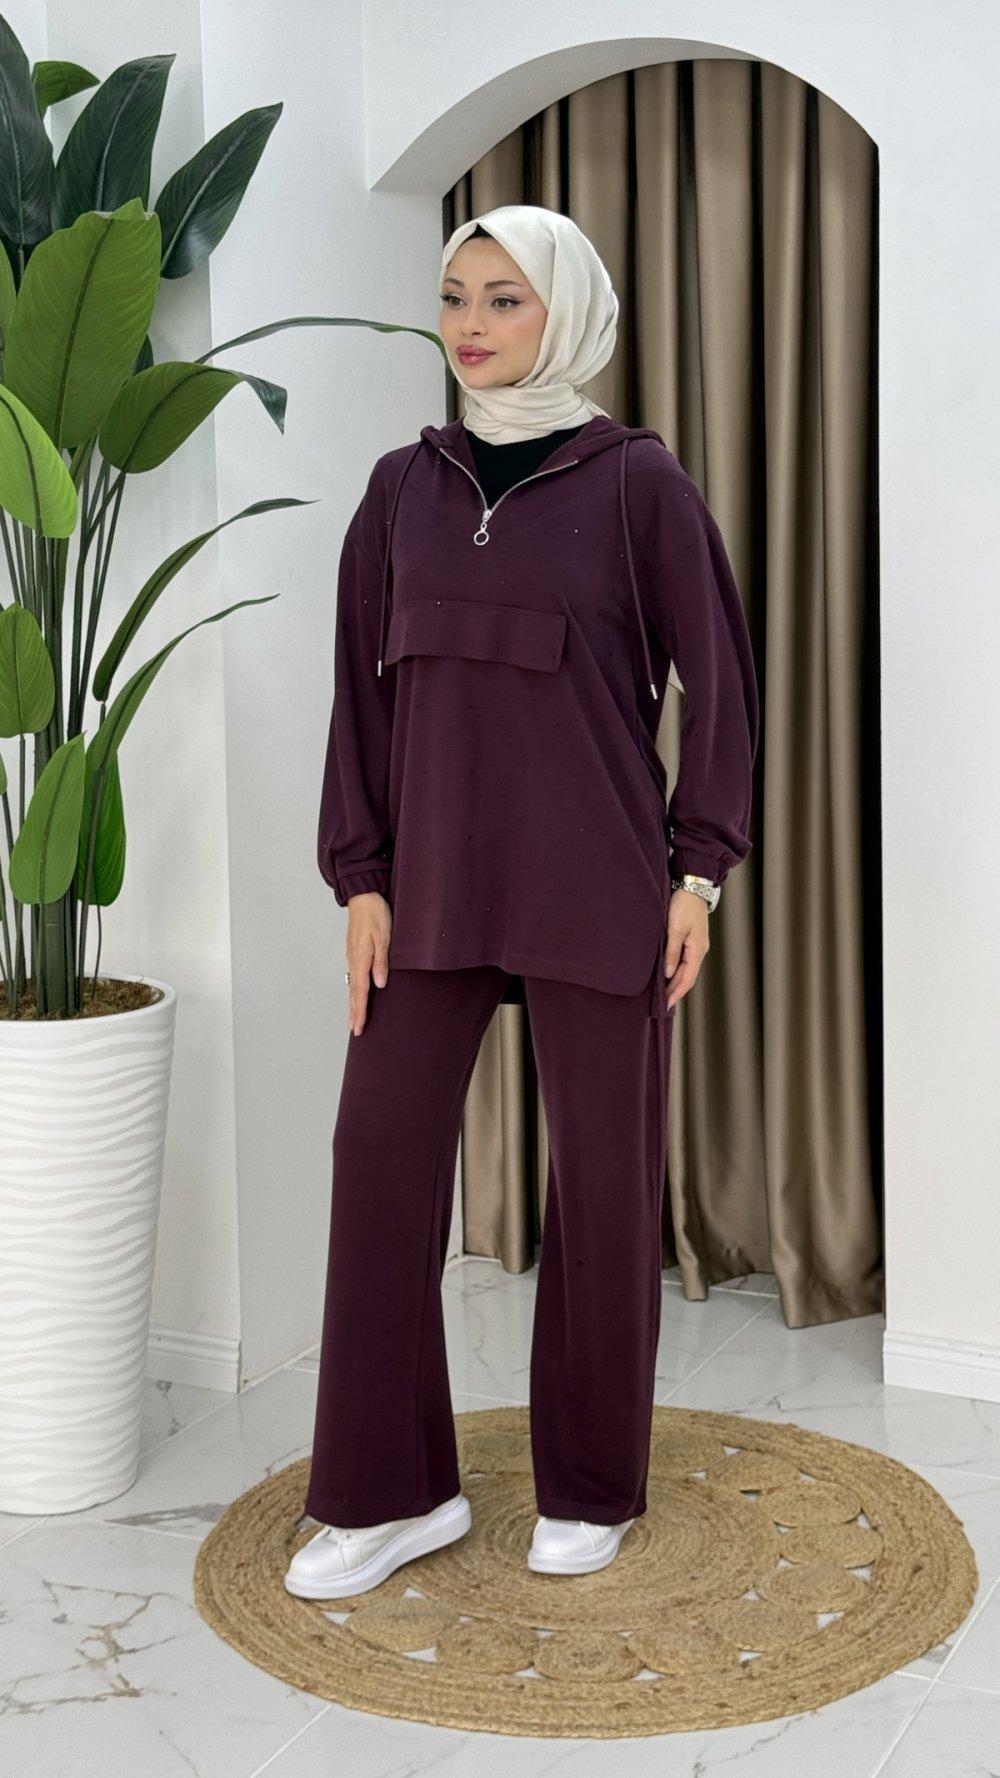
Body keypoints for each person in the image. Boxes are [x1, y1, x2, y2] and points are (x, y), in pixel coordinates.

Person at [285, 205, 759, 1600]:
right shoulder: (401, 490)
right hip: (428, 884)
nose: (474, 324)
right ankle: (391, 1494)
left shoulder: (638, 484)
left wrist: (697, 871)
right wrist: (360, 877)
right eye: (455, 297)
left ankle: (592, 1485)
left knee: (602, 1186)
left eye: (507, 297)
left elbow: (723, 685)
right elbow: (360, 700)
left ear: (567, 312)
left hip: (599, 877)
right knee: (377, 1166)